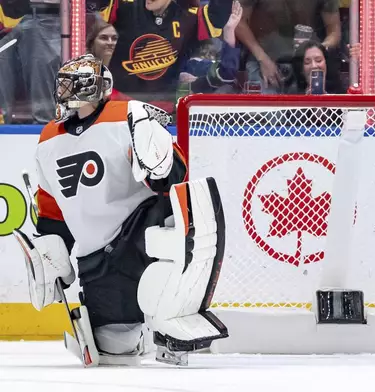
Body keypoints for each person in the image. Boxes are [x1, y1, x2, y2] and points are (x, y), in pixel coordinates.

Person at [14, 54, 227, 367]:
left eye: (77, 82)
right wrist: (52, 252)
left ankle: (174, 318)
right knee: (117, 349)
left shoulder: (129, 114)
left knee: (169, 230)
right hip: (96, 256)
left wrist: (159, 170)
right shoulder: (48, 138)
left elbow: (176, 178)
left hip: (142, 228)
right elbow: (52, 207)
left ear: (99, 87)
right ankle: (140, 332)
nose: (67, 90)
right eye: (63, 83)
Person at [97, 0, 234, 112]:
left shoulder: (189, 17)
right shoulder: (125, 6)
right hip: (118, 105)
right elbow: (96, 4)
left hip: (161, 110)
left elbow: (218, 17)